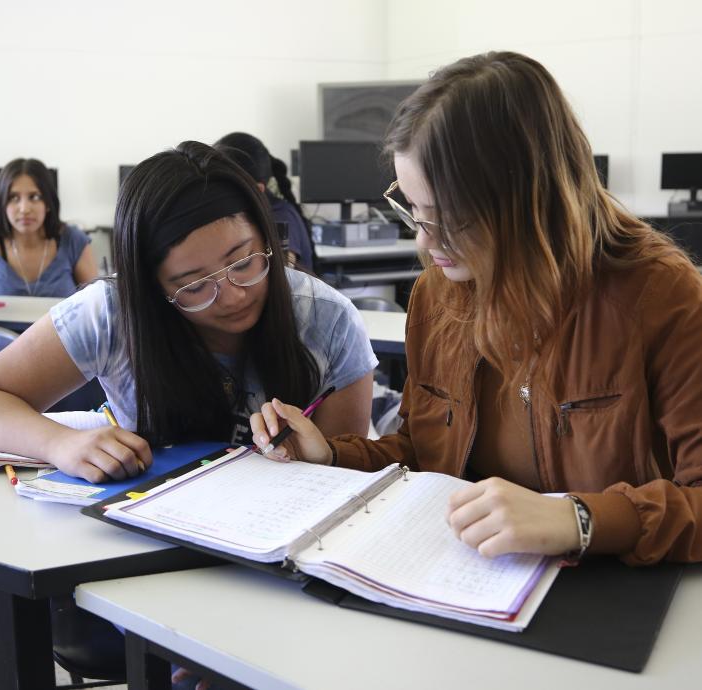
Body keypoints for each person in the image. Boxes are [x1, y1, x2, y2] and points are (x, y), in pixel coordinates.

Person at [252, 51, 702, 566]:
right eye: (413, 210)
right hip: (472, 577)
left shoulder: (659, 294)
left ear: (530, 199)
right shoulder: (437, 294)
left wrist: (578, 518)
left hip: (610, 596)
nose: (425, 239)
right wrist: (333, 455)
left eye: (449, 218)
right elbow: (423, 456)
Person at [0, 141, 376, 483]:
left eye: (244, 263)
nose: (230, 297)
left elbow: (346, 478)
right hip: (144, 535)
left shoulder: (327, 319)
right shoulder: (112, 311)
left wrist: (321, 458)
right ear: (150, 287)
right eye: (193, 286)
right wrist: (59, 444)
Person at [0, 158, 97, 297]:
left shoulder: (73, 240)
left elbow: (96, 306)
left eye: (35, 197)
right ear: (2, 203)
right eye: (13, 198)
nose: (24, 209)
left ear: (49, 203)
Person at [215, 132, 315, 271]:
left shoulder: (281, 217)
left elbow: (283, 275)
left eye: (223, 187)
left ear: (257, 189)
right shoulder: (243, 215)